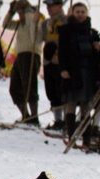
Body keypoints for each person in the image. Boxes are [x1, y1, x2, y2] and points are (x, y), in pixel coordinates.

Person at [58, 2, 100, 146]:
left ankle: (86, 139)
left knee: (86, 106)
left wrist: (98, 49)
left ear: (87, 13)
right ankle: (72, 136)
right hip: (72, 71)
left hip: (88, 72)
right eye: (77, 11)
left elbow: (97, 57)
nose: (80, 14)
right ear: (72, 13)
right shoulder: (65, 30)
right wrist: (63, 69)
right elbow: (62, 51)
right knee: (71, 103)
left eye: (82, 12)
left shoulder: (92, 32)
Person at [2, 0, 43, 124]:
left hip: (31, 54)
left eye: (20, 9)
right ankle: (26, 116)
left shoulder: (33, 17)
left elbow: (33, 36)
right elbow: (6, 25)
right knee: (15, 87)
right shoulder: (21, 20)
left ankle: (34, 117)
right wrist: (11, 12)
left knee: (29, 85)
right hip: (21, 55)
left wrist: (24, 15)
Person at [40, 0, 68, 130]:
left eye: (52, 5)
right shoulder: (46, 23)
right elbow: (40, 39)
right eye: (48, 6)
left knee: (63, 91)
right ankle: (58, 120)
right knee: (52, 91)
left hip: (62, 61)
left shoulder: (67, 20)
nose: (49, 8)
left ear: (60, 6)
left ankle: (68, 120)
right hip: (48, 60)